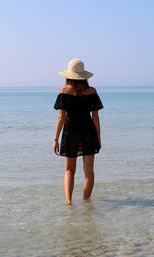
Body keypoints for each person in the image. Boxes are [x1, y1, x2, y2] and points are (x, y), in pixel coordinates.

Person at [53, 59, 103, 204]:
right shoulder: (91, 92)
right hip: (88, 132)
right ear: (84, 76)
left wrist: (55, 139)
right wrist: (98, 138)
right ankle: (86, 203)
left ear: (68, 75)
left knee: (69, 170)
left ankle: (68, 202)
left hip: (71, 131)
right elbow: (96, 118)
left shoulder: (64, 92)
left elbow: (61, 118)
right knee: (89, 172)